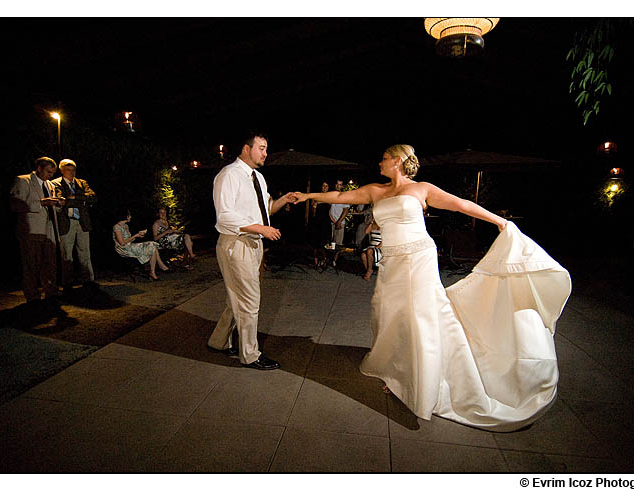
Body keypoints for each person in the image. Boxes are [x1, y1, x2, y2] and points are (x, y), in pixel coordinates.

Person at [294, 144, 571, 432]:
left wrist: (500, 221)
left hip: (417, 260)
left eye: (384, 158)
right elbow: (340, 196)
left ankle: (420, 381)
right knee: (390, 314)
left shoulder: (422, 188)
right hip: (391, 264)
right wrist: (309, 195)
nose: (379, 162)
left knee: (418, 317)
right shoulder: (376, 190)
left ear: (398, 161)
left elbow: (461, 204)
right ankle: (396, 371)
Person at [209, 131, 297, 370]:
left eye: (266, 148)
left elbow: (266, 208)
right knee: (249, 301)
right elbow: (225, 216)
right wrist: (260, 228)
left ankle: (218, 341)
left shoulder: (258, 177)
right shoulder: (228, 175)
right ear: (246, 149)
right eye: (262, 148)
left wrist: (283, 200)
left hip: (254, 244)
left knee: (236, 298)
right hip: (235, 244)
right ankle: (249, 354)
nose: (266, 153)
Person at [9, 157, 65, 303]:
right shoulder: (23, 181)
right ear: (39, 168)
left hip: (50, 230)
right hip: (31, 230)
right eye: (48, 172)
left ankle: (50, 291)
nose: (50, 175)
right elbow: (15, 204)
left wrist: (58, 204)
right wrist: (41, 203)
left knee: (50, 263)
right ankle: (32, 295)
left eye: (52, 173)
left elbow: (53, 209)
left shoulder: (50, 184)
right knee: (31, 264)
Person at [51, 159, 97, 288]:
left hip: (82, 222)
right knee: (66, 254)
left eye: (73, 170)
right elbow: (61, 201)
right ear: (62, 171)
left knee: (85, 252)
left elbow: (93, 197)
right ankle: (67, 282)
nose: (71, 173)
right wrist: (82, 200)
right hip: (67, 222)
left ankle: (88, 280)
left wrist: (74, 197)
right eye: (68, 170)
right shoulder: (56, 183)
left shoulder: (81, 183)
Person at [112, 210, 169, 281]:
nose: (130, 217)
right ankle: (157, 268)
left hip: (130, 246)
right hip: (123, 249)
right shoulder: (116, 227)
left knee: (152, 245)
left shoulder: (126, 226)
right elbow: (122, 243)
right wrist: (135, 235)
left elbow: (129, 240)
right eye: (129, 215)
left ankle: (152, 272)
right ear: (125, 216)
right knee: (151, 245)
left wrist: (138, 235)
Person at [308, 181, 332, 269]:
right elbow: (313, 212)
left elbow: (330, 211)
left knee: (324, 242)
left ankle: (324, 260)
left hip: (325, 222)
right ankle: (316, 262)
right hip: (317, 222)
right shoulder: (316, 196)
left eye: (326, 186)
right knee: (315, 243)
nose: (324, 188)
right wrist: (314, 207)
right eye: (323, 186)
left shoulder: (330, 197)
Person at [328, 179, 350, 266]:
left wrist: (339, 222)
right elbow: (330, 210)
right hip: (332, 222)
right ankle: (330, 258)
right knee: (331, 242)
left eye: (340, 184)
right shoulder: (332, 196)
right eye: (337, 184)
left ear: (342, 186)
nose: (338, 186)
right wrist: (333, 221)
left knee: (338, 243)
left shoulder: (344, 196)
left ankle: (335, 260)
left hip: (340, 223)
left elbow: (345, 211)